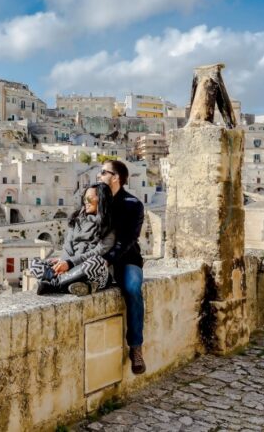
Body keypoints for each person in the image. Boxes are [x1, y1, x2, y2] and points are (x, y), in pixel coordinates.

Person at [98, 160, 146, 375]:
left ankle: (136, 348)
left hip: (126, 260)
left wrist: (108, 260)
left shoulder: (132, 204)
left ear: (115, 177)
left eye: (103, 172)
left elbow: (128, 240)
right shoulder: (98, 200)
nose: (99, 176)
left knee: (134, 289)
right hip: (99, 258)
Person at [30, 183, 115, 296]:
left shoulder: (110, 225)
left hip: (93, 273)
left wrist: (70, 263)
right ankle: (71, 284)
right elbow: (68, 245)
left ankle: (56, 284)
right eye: (84, 198)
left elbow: (98, 251)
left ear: (101, 199)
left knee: (97, 261)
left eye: (89, 198)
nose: (85, 201)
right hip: (70, 269)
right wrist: (63, 261)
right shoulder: (77, 219)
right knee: (34, 263)